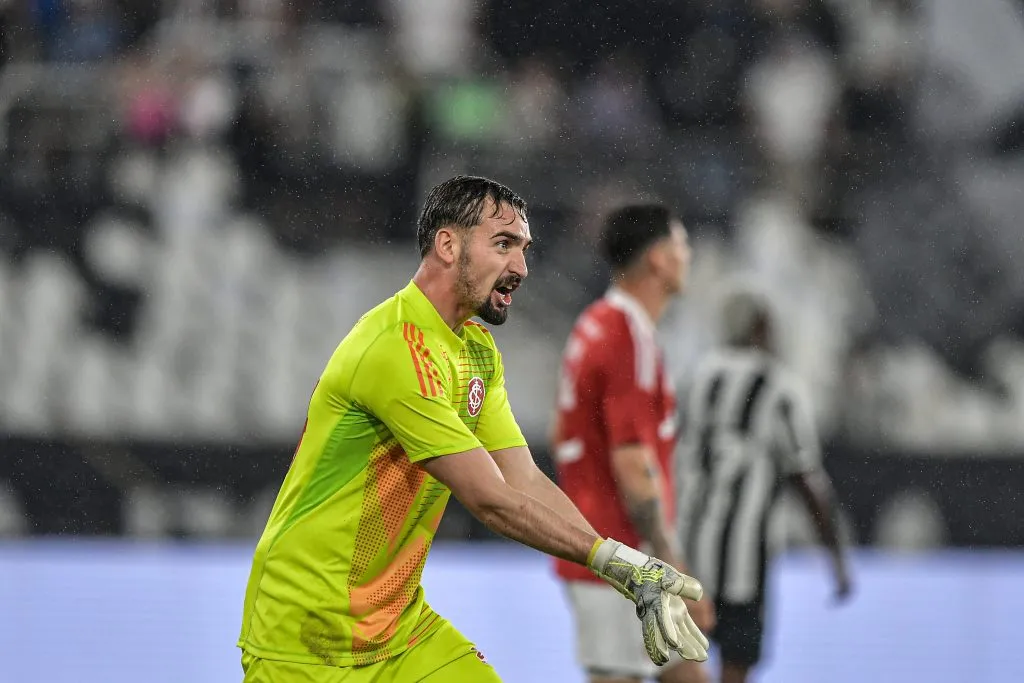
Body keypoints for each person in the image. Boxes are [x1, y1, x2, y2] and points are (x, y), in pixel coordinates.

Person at [236, 176, 710, 683]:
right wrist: (614, 562)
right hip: (305, 636)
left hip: (398, 630)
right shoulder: (395, 348)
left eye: (524, 249)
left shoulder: (476, 351)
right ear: (447, 245)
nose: (521, 268)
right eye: (503, 244)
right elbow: (490, 499)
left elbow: (522, 480)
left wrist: (629, 571)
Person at [551, 204, 715, 683]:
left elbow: (564, 433)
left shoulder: (596, 323)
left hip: (608, 549)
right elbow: (631, 462)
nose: (688, 256)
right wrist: (670, 564)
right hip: (622, 560)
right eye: (682, 245)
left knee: (688, 673)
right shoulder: (627, 339)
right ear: (659, 260)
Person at [676, 289, 852, 683]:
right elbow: (806, 478)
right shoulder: (779, 385)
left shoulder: (697, 376)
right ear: (760, 328)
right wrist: (836, 558)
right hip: (745, 557)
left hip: (688, 547)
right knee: (736, 664)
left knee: (680, 659)